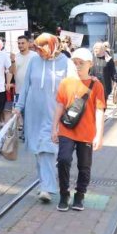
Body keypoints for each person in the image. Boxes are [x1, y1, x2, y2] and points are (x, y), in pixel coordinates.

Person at [14, 34, 73, 204]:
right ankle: (44, 184)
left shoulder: (65, 62)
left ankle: (47, 187)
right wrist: (19, 107)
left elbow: (71, 89)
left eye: (43, 49)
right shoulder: (34, 61)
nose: (40, 53)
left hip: (54, 113)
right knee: (39, 150)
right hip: (33, 114)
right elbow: (26, 87)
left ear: (53, 46)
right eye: (37, 49)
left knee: (46, 149)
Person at [52, 48, 105, 211]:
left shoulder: (97, 85)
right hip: (67, 129)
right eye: (75, 63)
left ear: (90, 64)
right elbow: (60, 105)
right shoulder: (66, 82)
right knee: (63, 160)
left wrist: (99, 135)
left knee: (84, 166)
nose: (78, 66)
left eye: (81, 63)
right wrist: (54, 127)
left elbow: (99, 110)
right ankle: (64, 193)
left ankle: (80, 195)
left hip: (86, 132)